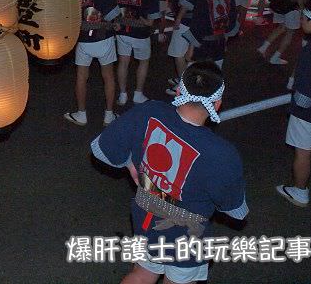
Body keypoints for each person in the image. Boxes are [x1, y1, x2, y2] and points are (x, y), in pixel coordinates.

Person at [91, 60, 248, 284]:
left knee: (143, 273)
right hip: (187, 233)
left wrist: (130, 165)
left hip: (145, 214)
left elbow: (102, 149)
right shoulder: (222, 154)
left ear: (178, 90)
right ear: (218, 103)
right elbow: (236, 210)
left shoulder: (150, 111)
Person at [276, 0, 311, 207]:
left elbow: (305, 96)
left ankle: (299, 191)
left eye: (304, 17)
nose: (301, 19)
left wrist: (296, 106)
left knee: (303, 153)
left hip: (310, 112)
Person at [64, 0, 120, 126]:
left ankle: (81, 114)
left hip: (80, 36)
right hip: (102, 35)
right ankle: (108, 115)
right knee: (108, 76)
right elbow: (112, 13)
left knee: (81, 75)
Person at [115, 0, 160, 107]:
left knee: (123, 61)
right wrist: (150, 22)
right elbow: (153, 13)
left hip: (122, 27)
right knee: (143, 61)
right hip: (141, 30)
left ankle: (122, 94)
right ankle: (138, 94)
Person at [181, 0, 239, 71]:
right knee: (215, 75)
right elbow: (232, 24)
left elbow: (197, 26)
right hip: (219, 44)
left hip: (203, 45)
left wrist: (191, 49)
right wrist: (225, 39)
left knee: (195, 76)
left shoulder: (203, 0)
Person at [167, 0, 208, 89]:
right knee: (187, 54)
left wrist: (178, 18)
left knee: (177, 53)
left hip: (187, 19)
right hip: (195, 18)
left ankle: (184, 86)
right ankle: (185, 79)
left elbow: (188, 0)